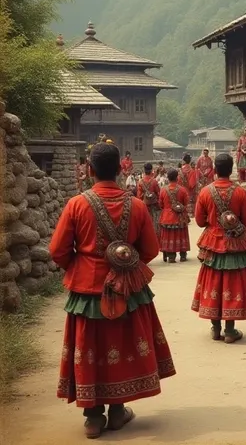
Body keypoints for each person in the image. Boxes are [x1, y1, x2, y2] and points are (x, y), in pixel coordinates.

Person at [49, 143, 176, 439]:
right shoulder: (138, 206)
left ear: (89, 170)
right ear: (121, 169)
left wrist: (79, 268)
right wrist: (127, 266)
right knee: (123, 343)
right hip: (127, 290)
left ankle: (93, 417)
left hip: (88, 290)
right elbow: (151, 249)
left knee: (89, 346)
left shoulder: (77, 205)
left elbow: (57, 250)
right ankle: (118, 411)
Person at [191, 153, 246, 344]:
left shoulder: (205, 192)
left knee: (213, 283)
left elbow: (200, 220)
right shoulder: (240, 192)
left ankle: (215, 328)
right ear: (231, 168)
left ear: (214, 169)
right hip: (235, 245)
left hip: (213, 245)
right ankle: (230, 330)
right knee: (233, 283)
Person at [159, 169, 190, 263]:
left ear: (168, 178)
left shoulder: (163, 190)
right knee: (181, 234)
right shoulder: (182, 190)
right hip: (180, 217)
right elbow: (186, 203)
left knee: (169, 236)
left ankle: (171, 256)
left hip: (167, 217)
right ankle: (183, 255)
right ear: (177, 177)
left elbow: (161, 204)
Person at [137, 163, 161, 233]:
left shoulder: (140, 182)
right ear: (151, 170)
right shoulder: (154, 181)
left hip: (144, 206)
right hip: (154, 206)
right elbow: (158, 193)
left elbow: (139, 196)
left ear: (144, 170)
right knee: (154, 222)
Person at [178, 154, 197, 218]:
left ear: (184, 160)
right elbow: (192, 184)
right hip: (189, 191)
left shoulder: (180, 170)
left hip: (180, 190)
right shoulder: (192, 171)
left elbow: (178, 181)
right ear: (190, 160)